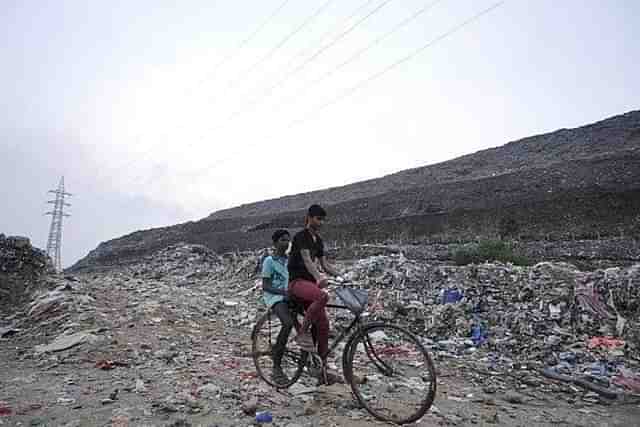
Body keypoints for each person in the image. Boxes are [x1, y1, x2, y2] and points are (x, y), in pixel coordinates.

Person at [287, 204, 341, 371]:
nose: (321, 222)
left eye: (323, 220)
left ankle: (322, 365)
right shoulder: (300, 237)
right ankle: (302, 334)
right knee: (322, 296)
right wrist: (319, 278)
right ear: (309, 217)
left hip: (309, 285)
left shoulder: (318, 241)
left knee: (324, 324)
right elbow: (307, 260)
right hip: (297, 282)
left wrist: (342, 277)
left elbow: (324, 264)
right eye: (318, 219)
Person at [261, 229, 293, 384]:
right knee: (287, 323)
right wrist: (282, 292)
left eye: (288, 240)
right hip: (274, 297)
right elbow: (265, 285)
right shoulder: (269, 261)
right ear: (275, 243)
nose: (286, 243)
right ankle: (276, 366)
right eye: (282, 240)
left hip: (289, 295)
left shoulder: (289, 260)